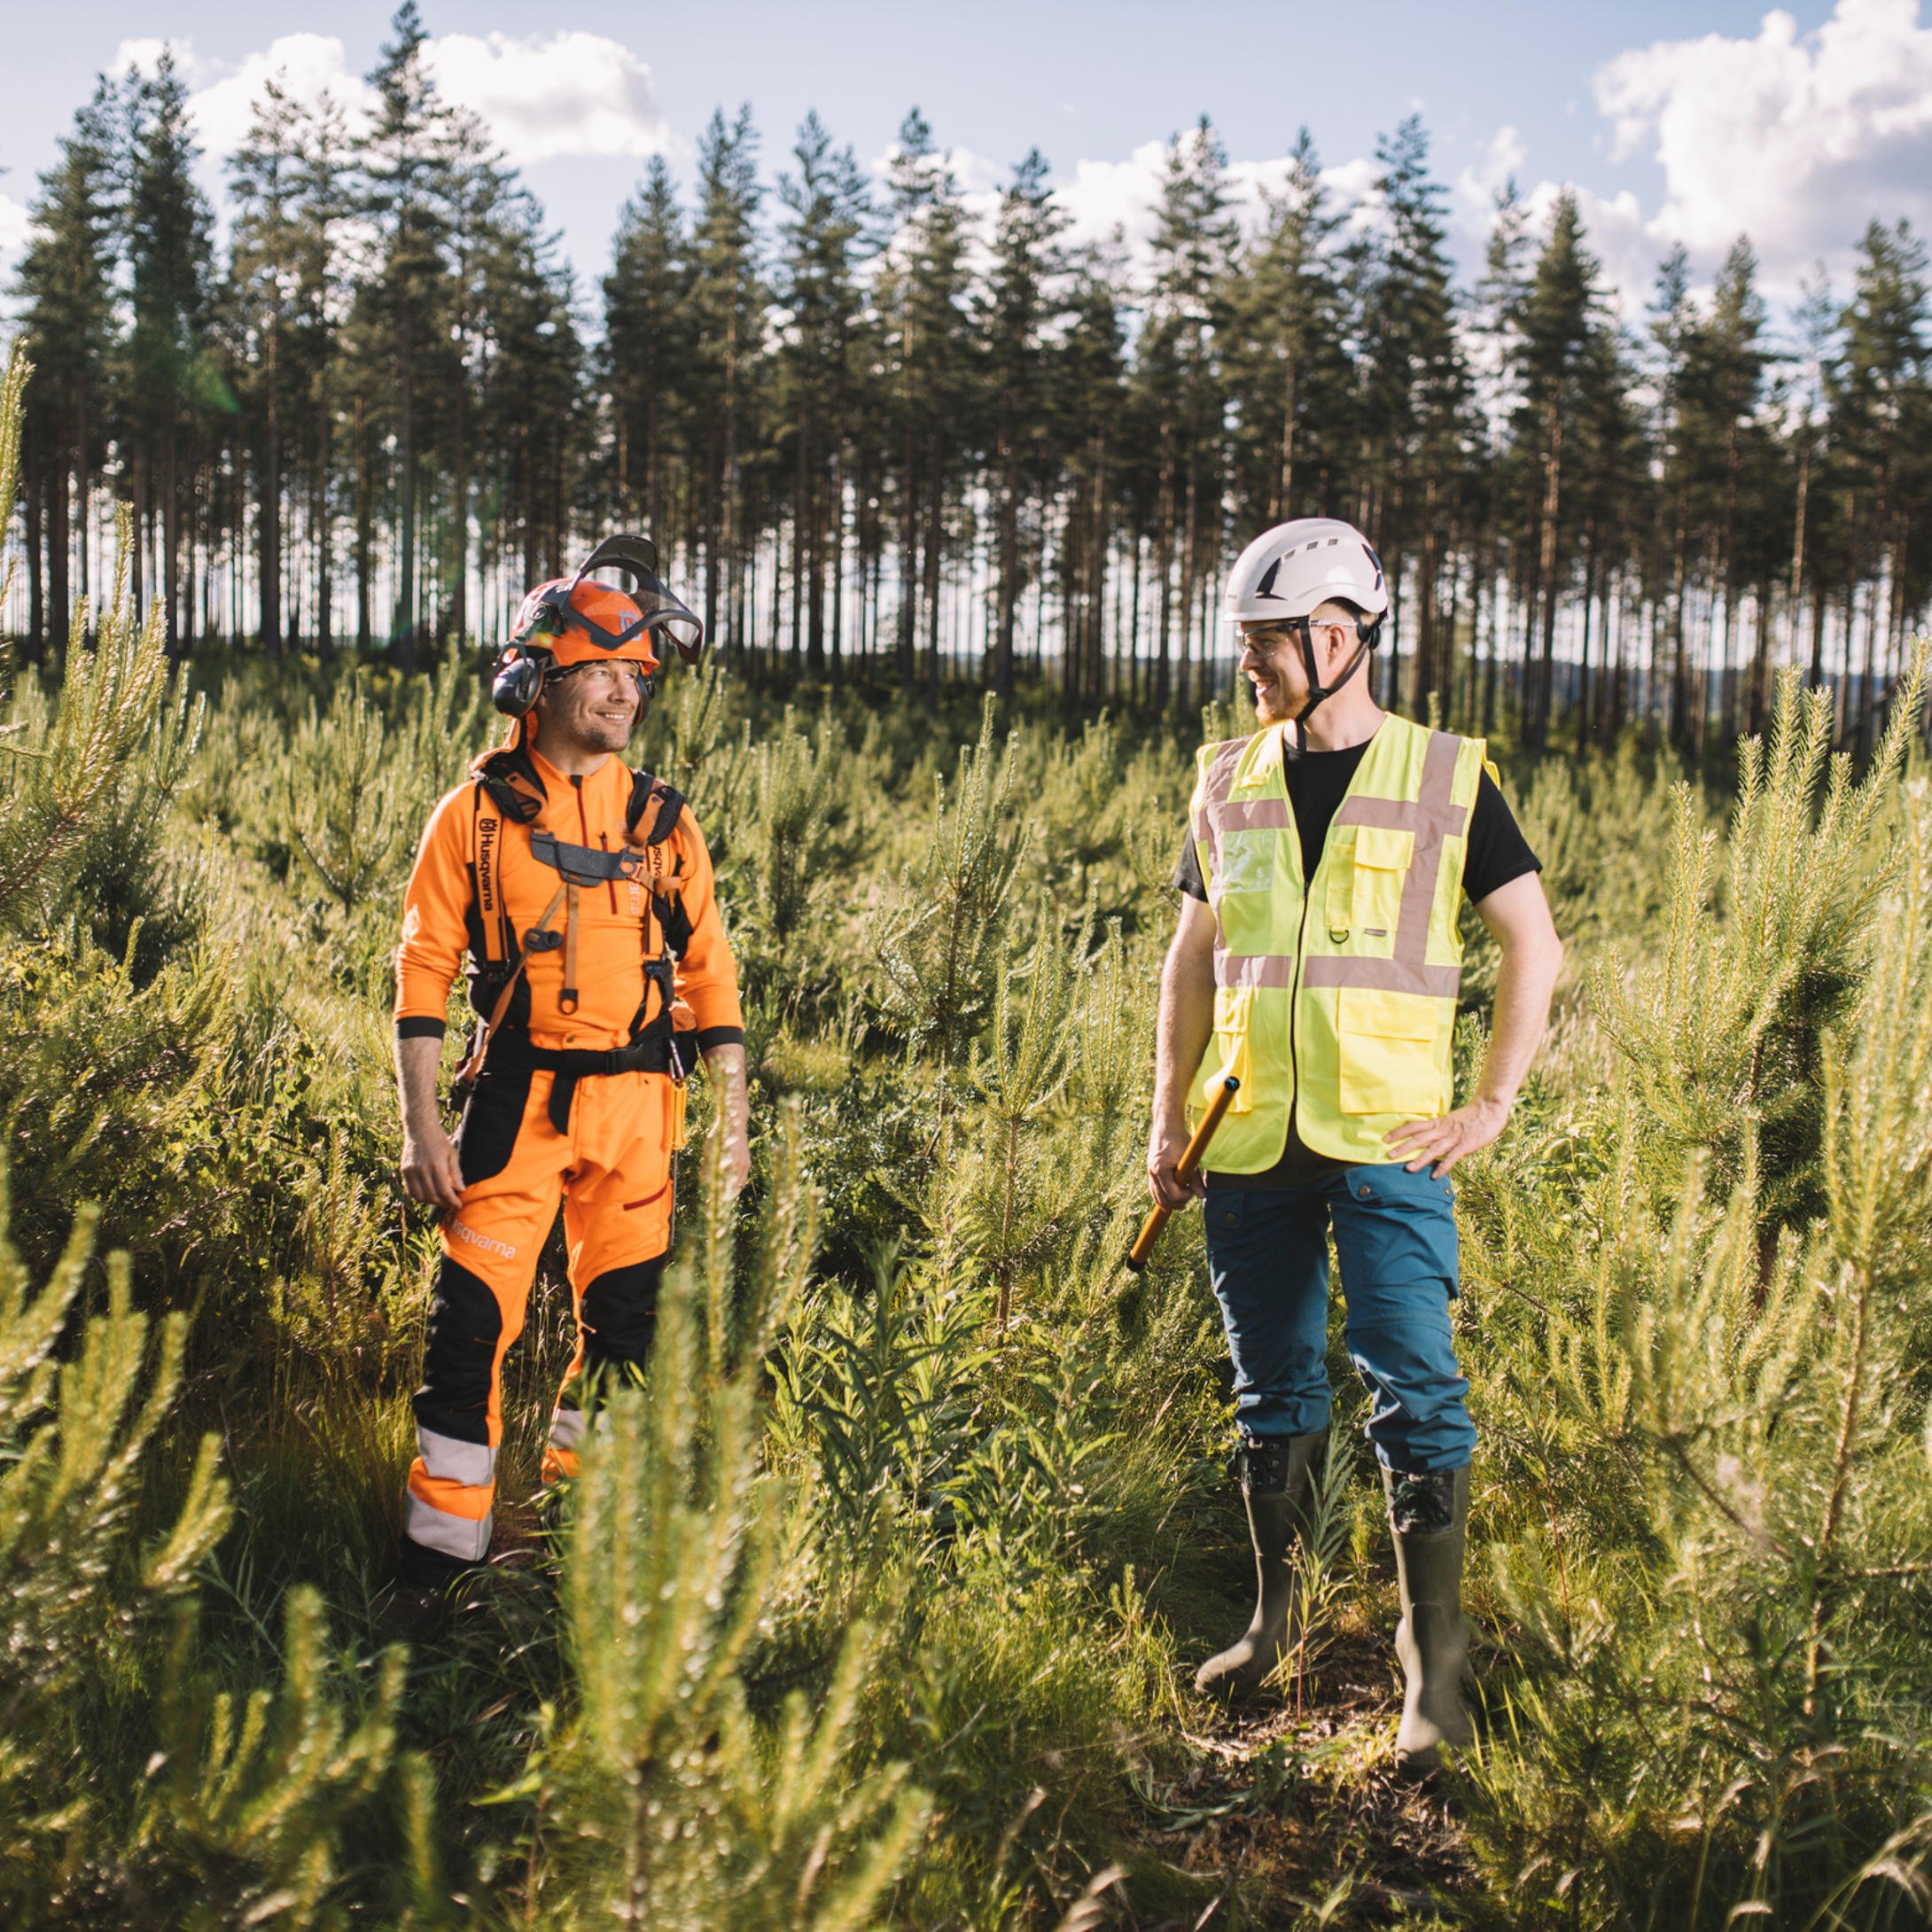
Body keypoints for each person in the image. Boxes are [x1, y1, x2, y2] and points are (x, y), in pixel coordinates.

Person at [1147, 517, 1563, 1775]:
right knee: (1271, 1385)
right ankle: (1274, 1621)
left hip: (1391, 1139)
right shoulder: (1228, 778)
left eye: (1264, 646)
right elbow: (1193, 959)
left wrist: (1488, 1107)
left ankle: (1431, 1670)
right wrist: (1167, 1116)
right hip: (1249, 1128)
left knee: (1415, 1386)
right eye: (1244, 647)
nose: (1249, 670)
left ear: (1336, 638)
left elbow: (1533, 946)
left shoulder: (1447, 776)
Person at [390, 536, 749, 1620]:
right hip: (512, 1109)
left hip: (640, 1112)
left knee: (622, 1343)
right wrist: (421, 1126)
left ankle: (574, 1553)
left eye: (635, 675)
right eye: (599, 670)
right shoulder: (475, 816)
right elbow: (421, 969)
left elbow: (711, 980)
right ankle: (437, 1575)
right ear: (534, 681)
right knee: (466, 1337)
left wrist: (728, 1125)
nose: (622, 692)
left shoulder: (664, 824)